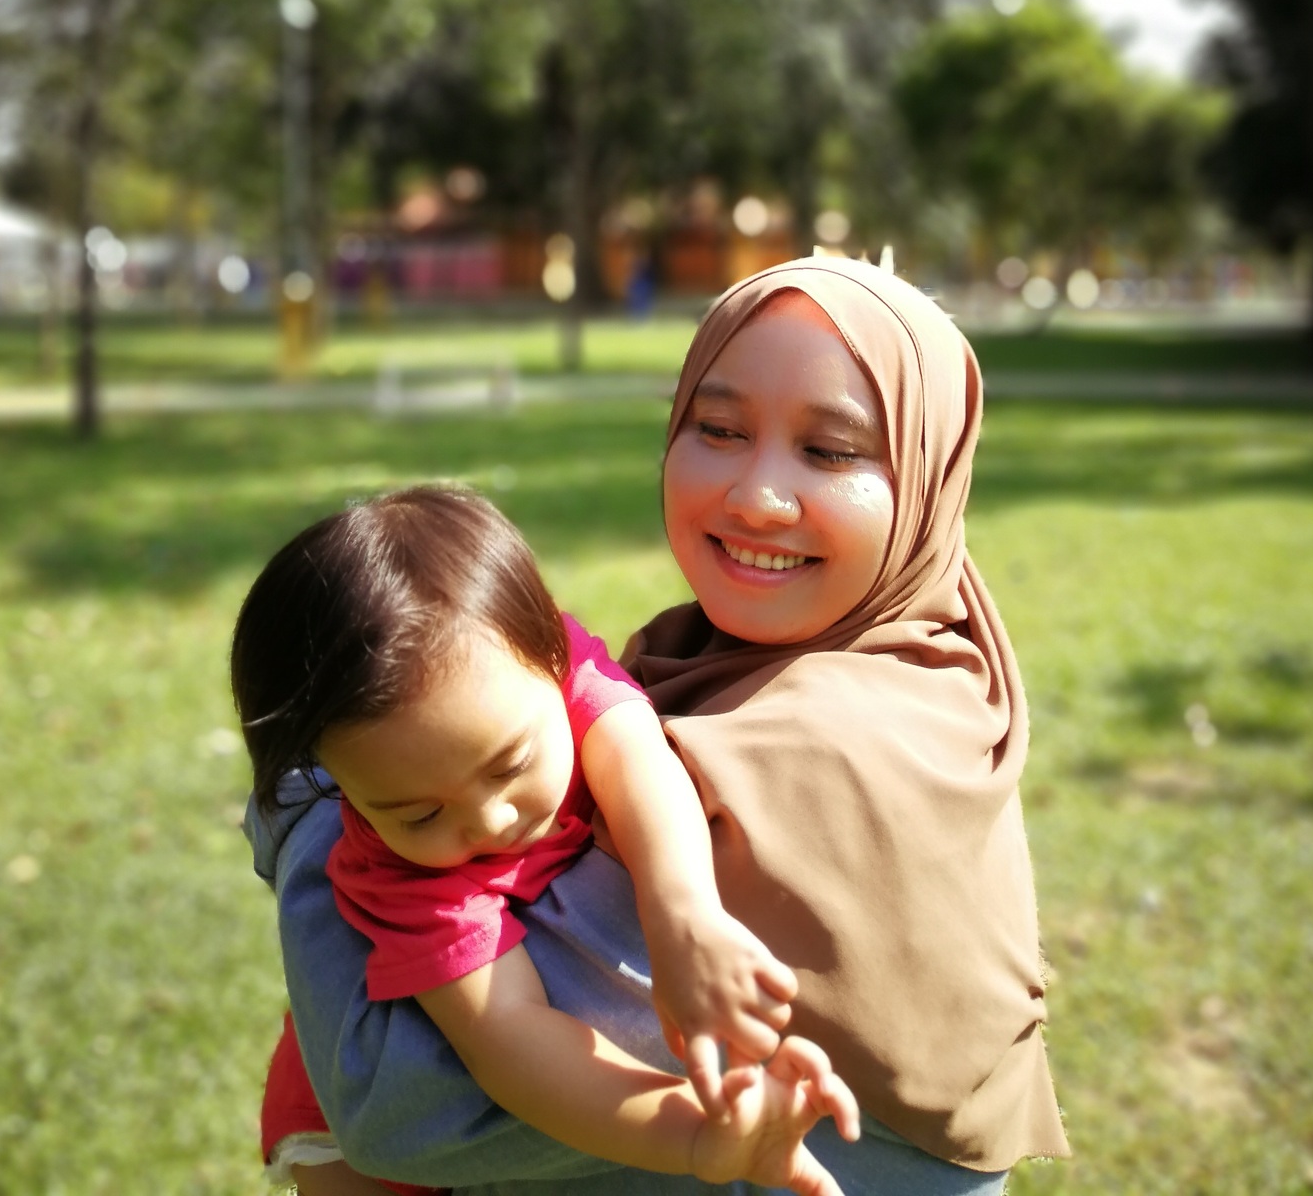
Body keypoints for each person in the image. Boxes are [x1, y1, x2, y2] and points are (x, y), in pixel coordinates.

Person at [248, 257, 1068, 1194]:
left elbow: (392, 1102)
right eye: (717, 428)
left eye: (831, 451)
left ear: (928, 470)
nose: (758, 494)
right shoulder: (736, 659)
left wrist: (306, 812)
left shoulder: (813, 754)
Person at [232, 485, 859, 1195]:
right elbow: (517, 1045)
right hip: (344, 1129)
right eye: (418, 815)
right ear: (340, 783)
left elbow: (640, 764)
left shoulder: (550, 676)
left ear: (555, 657)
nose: (491, 820)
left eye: (510, 766)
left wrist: (683, 916)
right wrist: (695, 1135)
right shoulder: (401, 876)